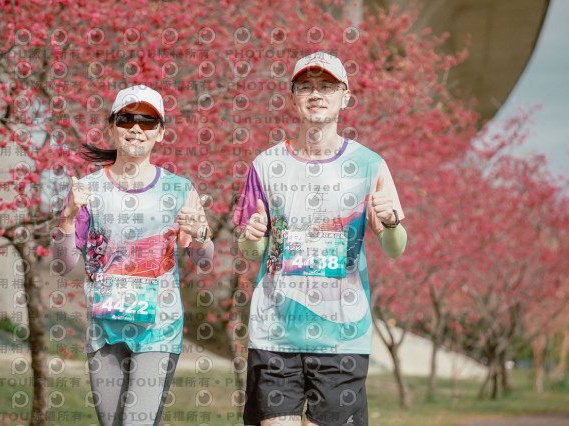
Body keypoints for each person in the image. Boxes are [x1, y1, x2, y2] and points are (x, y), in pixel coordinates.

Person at [233, 52, 407, 426]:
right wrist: (251, 237)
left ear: (345, 96)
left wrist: (392, 223)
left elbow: (394, 248)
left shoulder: (370, 165)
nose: (316, 94)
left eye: (327, 86)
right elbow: (251, 249)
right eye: (306, 86)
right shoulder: (265, 165)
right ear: (293, 97)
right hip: (275, 332)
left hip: (342, 335)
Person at [51, 85, 213, 426]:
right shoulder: (88, 190)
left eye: (148, 121)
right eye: (126, 120)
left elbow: (203, 259)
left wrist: (200, 234)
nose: (136, 128)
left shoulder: (179, 189)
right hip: (104, 329)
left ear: (160, 132)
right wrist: (68, 218)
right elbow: (63, 265)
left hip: (158, 329)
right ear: (111, 127)